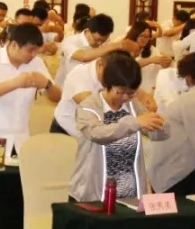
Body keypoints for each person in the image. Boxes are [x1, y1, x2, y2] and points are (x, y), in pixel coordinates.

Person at [71, 53, 167, 202]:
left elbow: (159, 135)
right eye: (120, 91)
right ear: (107, 84)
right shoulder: (88, 106)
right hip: (94, 193)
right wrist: (135, 123)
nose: (125, 97)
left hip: (130, 192)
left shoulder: (133, 106)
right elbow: (97, 134)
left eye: (131, 93)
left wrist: (158, 123)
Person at [0, 23, 62, 159]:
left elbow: (57, 97)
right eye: (30, 50)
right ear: (14, 45)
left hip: (19, 142)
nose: (34, 55)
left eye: (37, 51)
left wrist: (47, 84)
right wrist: (16, 83)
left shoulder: (36, 63)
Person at [54, 14, 125, 87]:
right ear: (88, 31)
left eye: (104, 40)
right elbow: (83, 56)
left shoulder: (105, 46)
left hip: (92, 88)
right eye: (97, 40)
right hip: (67, 88)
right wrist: (117, 45)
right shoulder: (70, 41)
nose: (100, 43)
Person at [53, 51, 110, 136]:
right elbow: (90, 106)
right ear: (100, 63)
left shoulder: (108, 75)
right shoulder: (80, 74)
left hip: (89, 132)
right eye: (109, 73)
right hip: (65, 131)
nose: (111, 79)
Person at [127, 21, 172, 93]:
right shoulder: (126, 48)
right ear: (135, 34)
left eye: (147, 37)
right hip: (133, 89)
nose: (144, 39)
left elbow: (162, 64)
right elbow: (130, 65)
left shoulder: (152, 49)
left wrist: (166, 62)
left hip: (151, 88)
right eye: (142, 35)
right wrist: (151, 60)